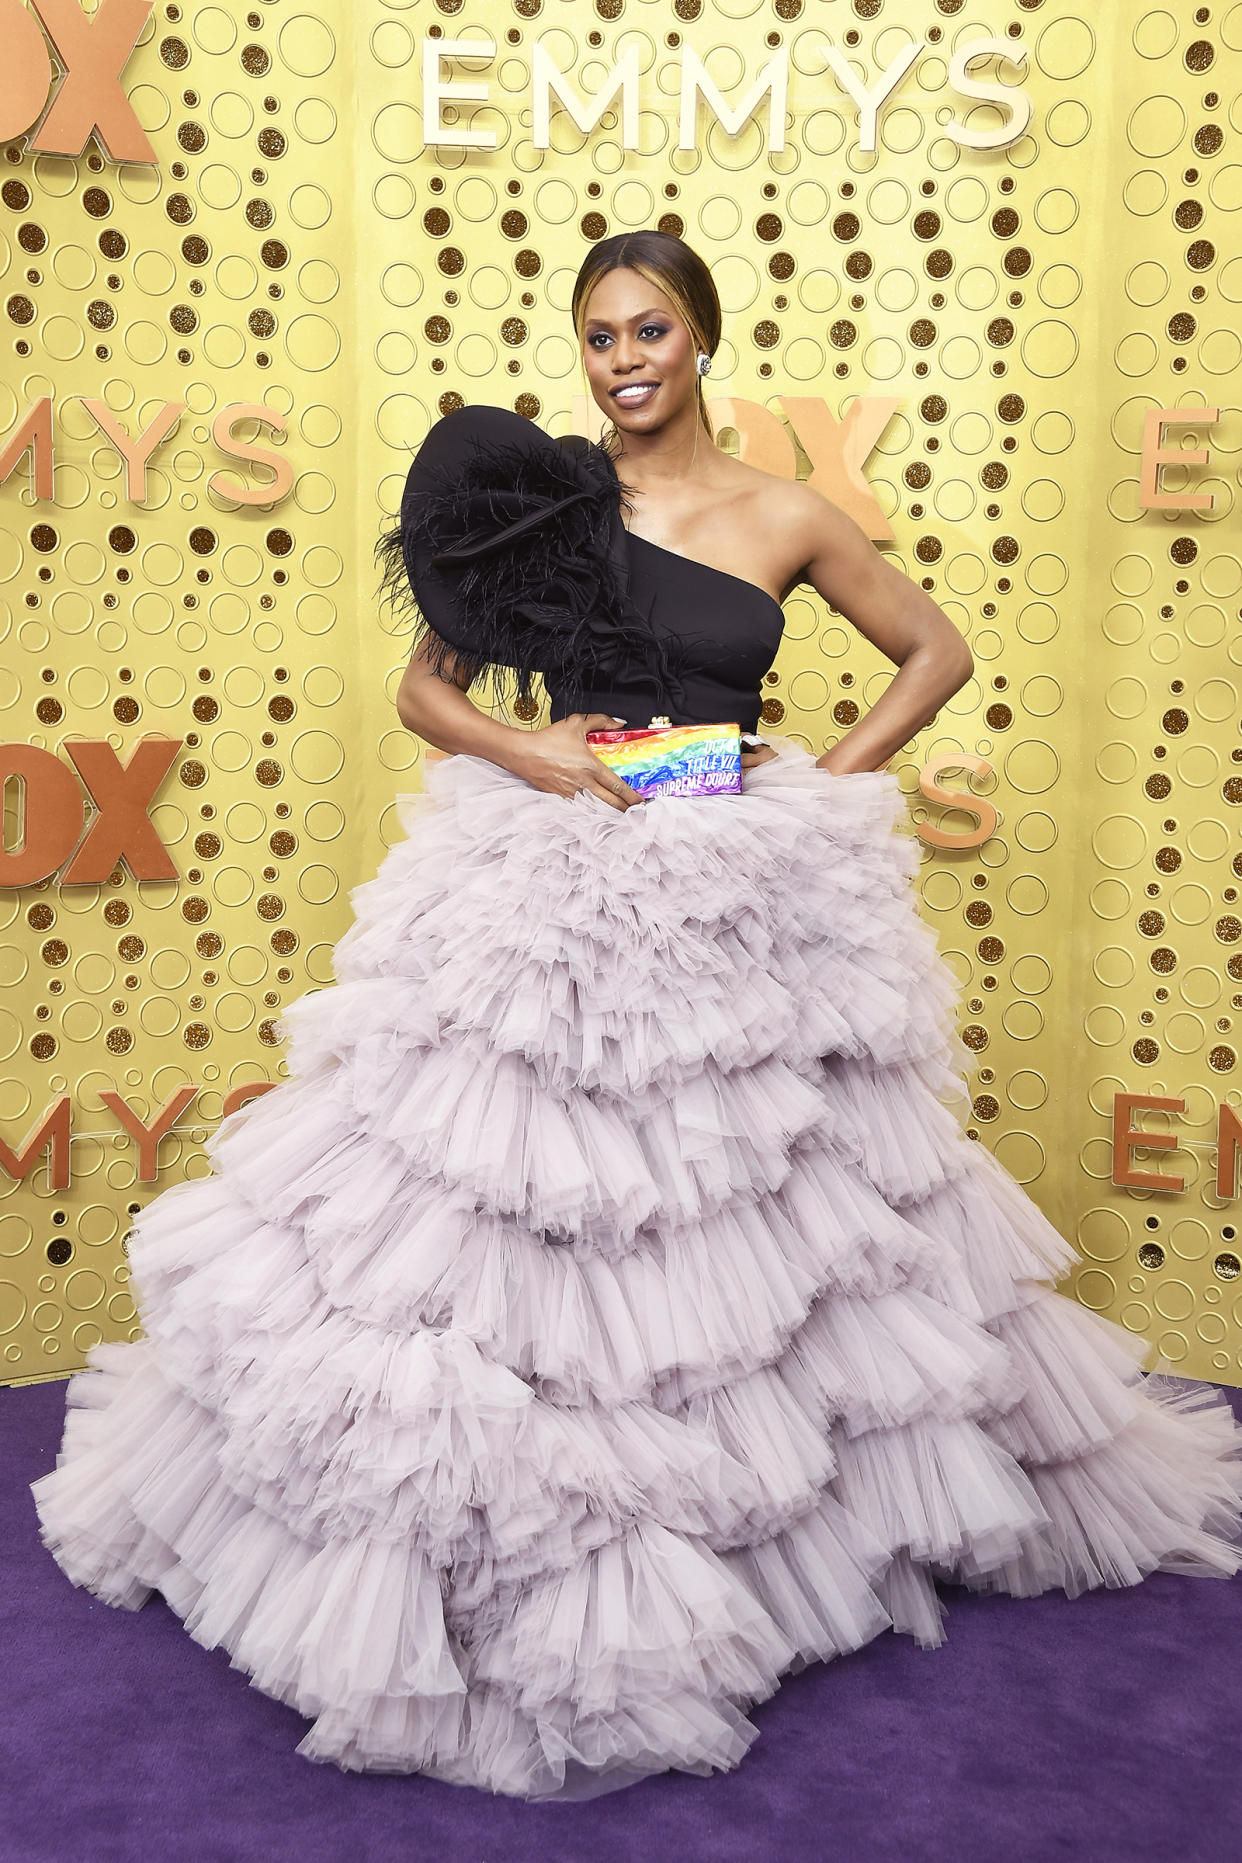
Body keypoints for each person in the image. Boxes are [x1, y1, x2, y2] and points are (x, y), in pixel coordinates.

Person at [32, 229, 1242, 1803]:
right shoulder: (547, 501)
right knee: (521, 1200)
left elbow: (934, 653)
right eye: (599, 332)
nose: (622, 356)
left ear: (699, 339)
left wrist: (799, 791)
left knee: (740, 1209)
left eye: (649, 328)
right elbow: (427, 691)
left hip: (728, 882)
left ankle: (737, 1530)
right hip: (550, 869)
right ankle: (527, 1538)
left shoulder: (787, 513)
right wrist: (546, 761)